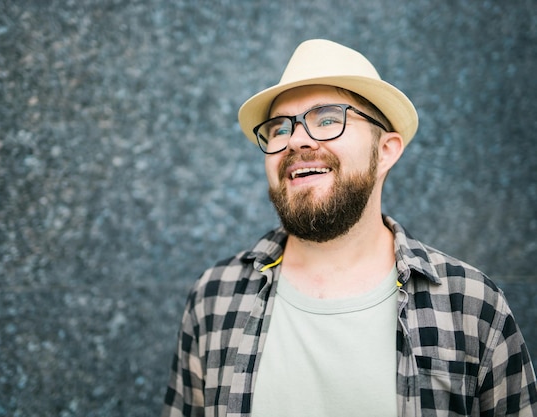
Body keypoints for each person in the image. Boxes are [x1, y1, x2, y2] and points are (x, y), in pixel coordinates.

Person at [161, 39, 537, 417]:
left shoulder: (471, 305)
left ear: (386, 150)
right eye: (279, 129)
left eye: (327, 119)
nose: (296, 140)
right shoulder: (215, 297)